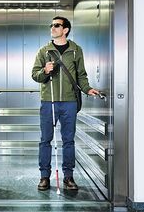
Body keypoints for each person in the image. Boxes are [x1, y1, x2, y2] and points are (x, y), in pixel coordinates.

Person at [31, 16, 99, 191]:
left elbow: (81, 75)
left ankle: (68, 176)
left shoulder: (76, 50)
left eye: (56, 25)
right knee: (45, 140)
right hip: (49, 101)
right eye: (51, 25)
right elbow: (35, 75)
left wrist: (87, 89)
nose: (52, 28)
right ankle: (44, 177)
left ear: (65, 29)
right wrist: (45, 71)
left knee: (68, 140)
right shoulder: (44, 51)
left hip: (69, 102)